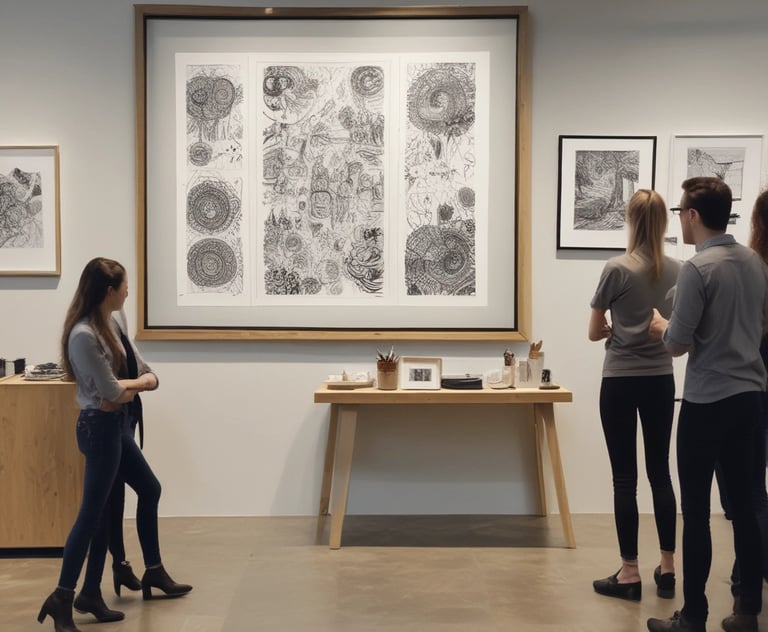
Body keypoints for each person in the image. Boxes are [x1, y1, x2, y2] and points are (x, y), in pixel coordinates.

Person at [37, 258, 191, 632]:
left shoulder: (115, 321)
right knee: (91, 516)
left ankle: (135, 577)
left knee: (148, 490)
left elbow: (139, 373)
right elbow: (109, 393)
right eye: (124, 286)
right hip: (99, 429)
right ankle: (63, 596)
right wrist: (134, 386)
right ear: (109, 291)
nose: (127, 291)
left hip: (117, 424)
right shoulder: (83, 336)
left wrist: (134, 385)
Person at [647, 177, 768, 632]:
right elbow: (761, 325)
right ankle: (747, 613)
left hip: (706, 402)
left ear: (694, 216)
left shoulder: (699, 269)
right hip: (751, 399)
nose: (679, 217)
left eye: (681, 211)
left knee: (696, 511)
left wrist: (663, 326)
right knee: (747, 506)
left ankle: (692, 615)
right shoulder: (755, 263)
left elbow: (677, 344)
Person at [588, 189, 679, 602]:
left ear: (630, 219)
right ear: (664, 223)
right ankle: (668, 568)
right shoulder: (679, 269)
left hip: (621, 380)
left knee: (625, 478)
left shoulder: (616, 268)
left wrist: (612, 329)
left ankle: (629, 573)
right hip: (661, 378)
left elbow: (593, 331)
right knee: (660, 472)